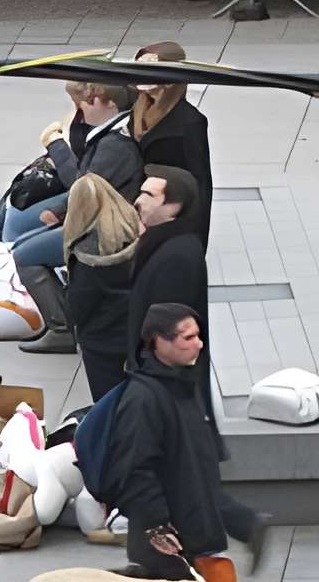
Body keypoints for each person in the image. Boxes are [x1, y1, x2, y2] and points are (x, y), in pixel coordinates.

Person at [90, 302, 268, 582]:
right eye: (188, 337)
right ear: (158, 342)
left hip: (189, 518)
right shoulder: (144, 398)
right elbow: (136, 468)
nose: (199, 344)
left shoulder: (182, 383)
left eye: (198, 335)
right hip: (166, 530)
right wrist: (157, 526)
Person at [11, 81, 144, 355]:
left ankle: (61, 328)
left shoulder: (115, 145)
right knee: (22, 243)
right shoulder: (112, 134)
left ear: (109, 104)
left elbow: (81, 184)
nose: (80, 112)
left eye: (85, 104)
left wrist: (57, 146)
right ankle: (63, 317)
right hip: (94, 216)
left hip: (101, 227)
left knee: (25, 256)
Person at [63, 170, 139, 400]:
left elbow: (79, 307)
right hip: (134, 331)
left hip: (100, 342)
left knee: (107, 402)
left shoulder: (86, 256)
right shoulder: (132, 233)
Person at [130, 42, 213, 243]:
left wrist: (195, 237)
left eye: (149, 70)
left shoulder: (190, 122)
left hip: (166, 210)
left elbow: (200, 183)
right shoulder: (137, 109)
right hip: (137, 202)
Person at [126, 167, 209, 365]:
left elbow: (170, 331)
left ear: (175, 206)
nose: (138, 201)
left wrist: (144, 367)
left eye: (148, 195)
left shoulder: (178, 257)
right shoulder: (163, 243)